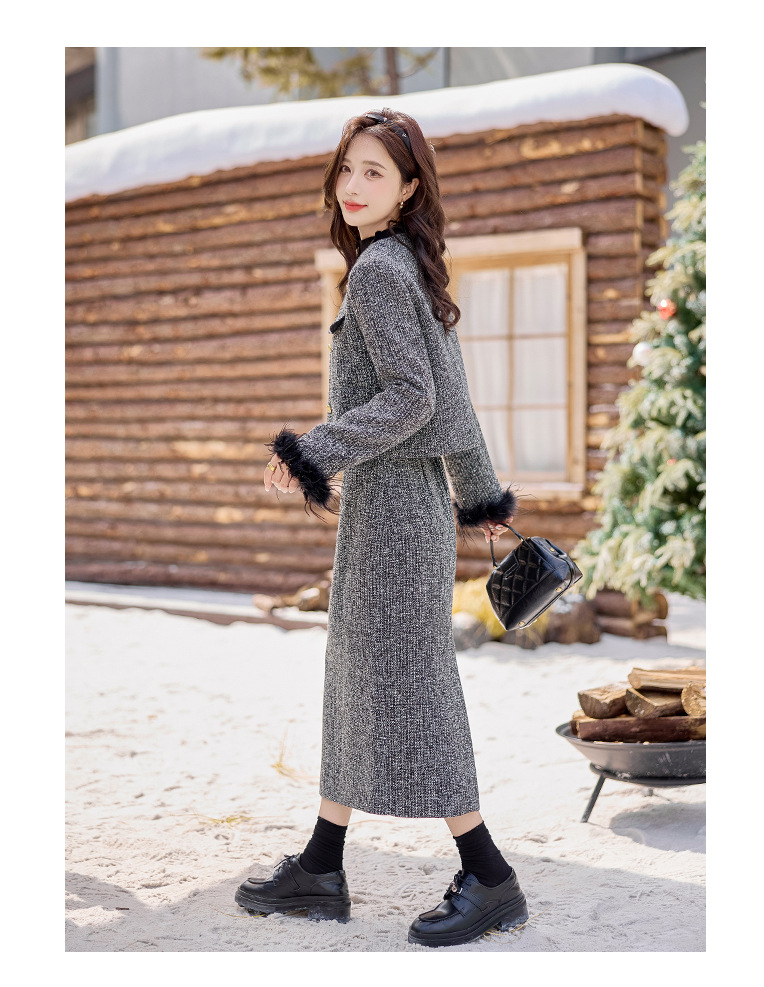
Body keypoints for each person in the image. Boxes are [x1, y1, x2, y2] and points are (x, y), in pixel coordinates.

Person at [235, 108, 529, 948]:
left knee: (413, 688)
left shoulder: (378, 272)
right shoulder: (407, 268)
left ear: (408, 189)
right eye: (347, 169)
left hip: (395, 513)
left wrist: (311, 449)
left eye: (376, 172)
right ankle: (321, 865)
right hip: (403, 509)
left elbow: (415, 399)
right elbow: (455, 406)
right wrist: (480, 497)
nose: (355, 185)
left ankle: (490, 876)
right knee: (359, 678)